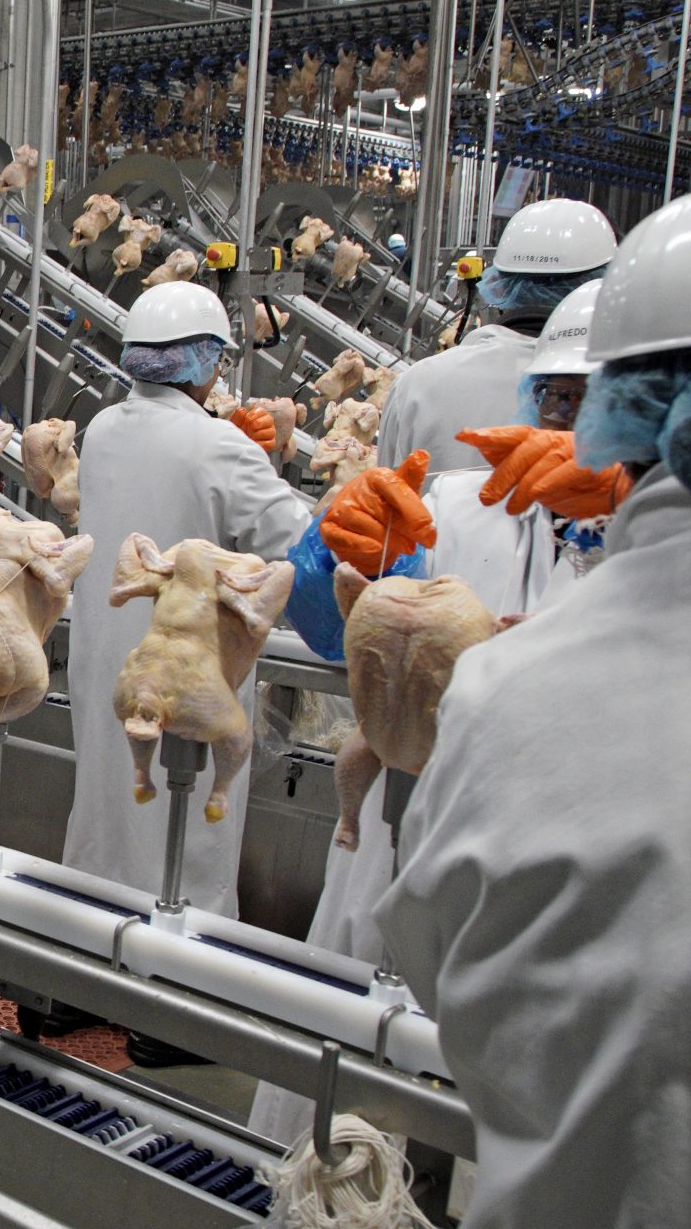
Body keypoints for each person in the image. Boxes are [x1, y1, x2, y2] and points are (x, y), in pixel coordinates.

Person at [374, 194, 691, 1228]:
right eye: (546, 403)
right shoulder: (459, 498)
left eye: (572, 406)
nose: (555, 430)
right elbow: (361, 600)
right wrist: (344, 568)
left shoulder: (524, 684)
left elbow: (432, 945)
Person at [248, 279, 626, 1142]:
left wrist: (616, 532)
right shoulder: (461, 504)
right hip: (398, 842)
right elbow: (335, 629)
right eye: (558, 397)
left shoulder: (657, 558)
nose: (572, 424)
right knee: (342, 1116)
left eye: (599, 404)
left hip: (550, 888)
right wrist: (325, 553)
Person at [56, 282, 427, 1060]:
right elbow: (297, 546)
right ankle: (177, 1011)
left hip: (109, 661)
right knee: (190, 834)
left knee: (106, 813)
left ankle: (78, 981)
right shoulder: (218, 446)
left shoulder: (101, 429)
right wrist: (284, 464)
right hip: (195, 673)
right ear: (203, 362)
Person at [378, 198, 616, 475]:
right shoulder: (614, 392)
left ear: (499, 285)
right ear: (604, 286)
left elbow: (385, 501)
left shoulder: (417, 384)